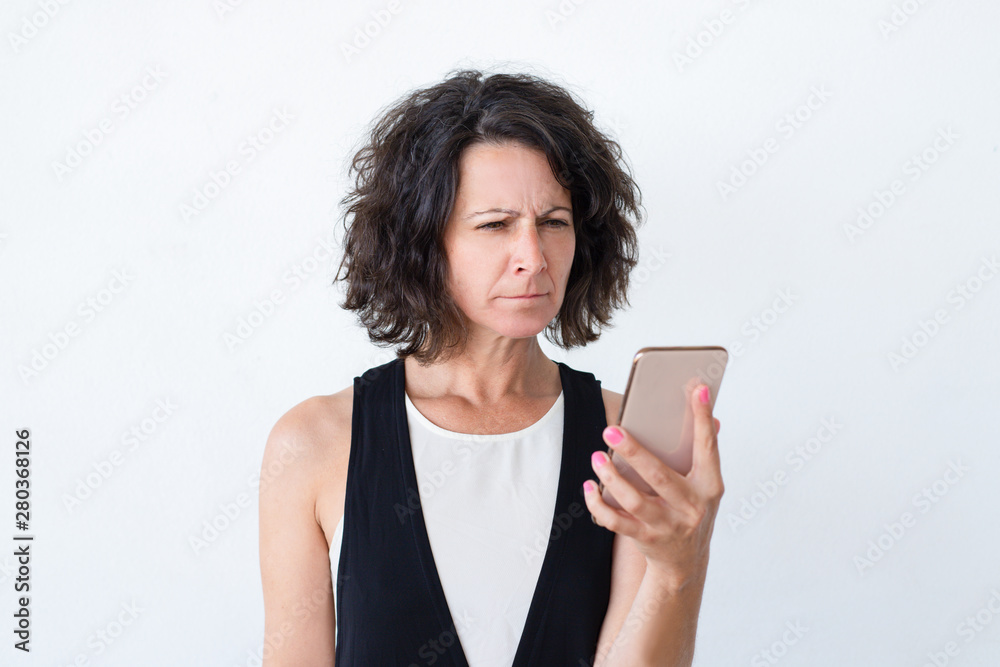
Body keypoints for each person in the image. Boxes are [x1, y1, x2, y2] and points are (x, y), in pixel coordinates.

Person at [258, 68, 724, 667]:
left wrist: (680, 565)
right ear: (424, 242)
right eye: (495, 225)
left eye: (554, 223)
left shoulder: (624, 436)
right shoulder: (315, 443)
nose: (533, 258)